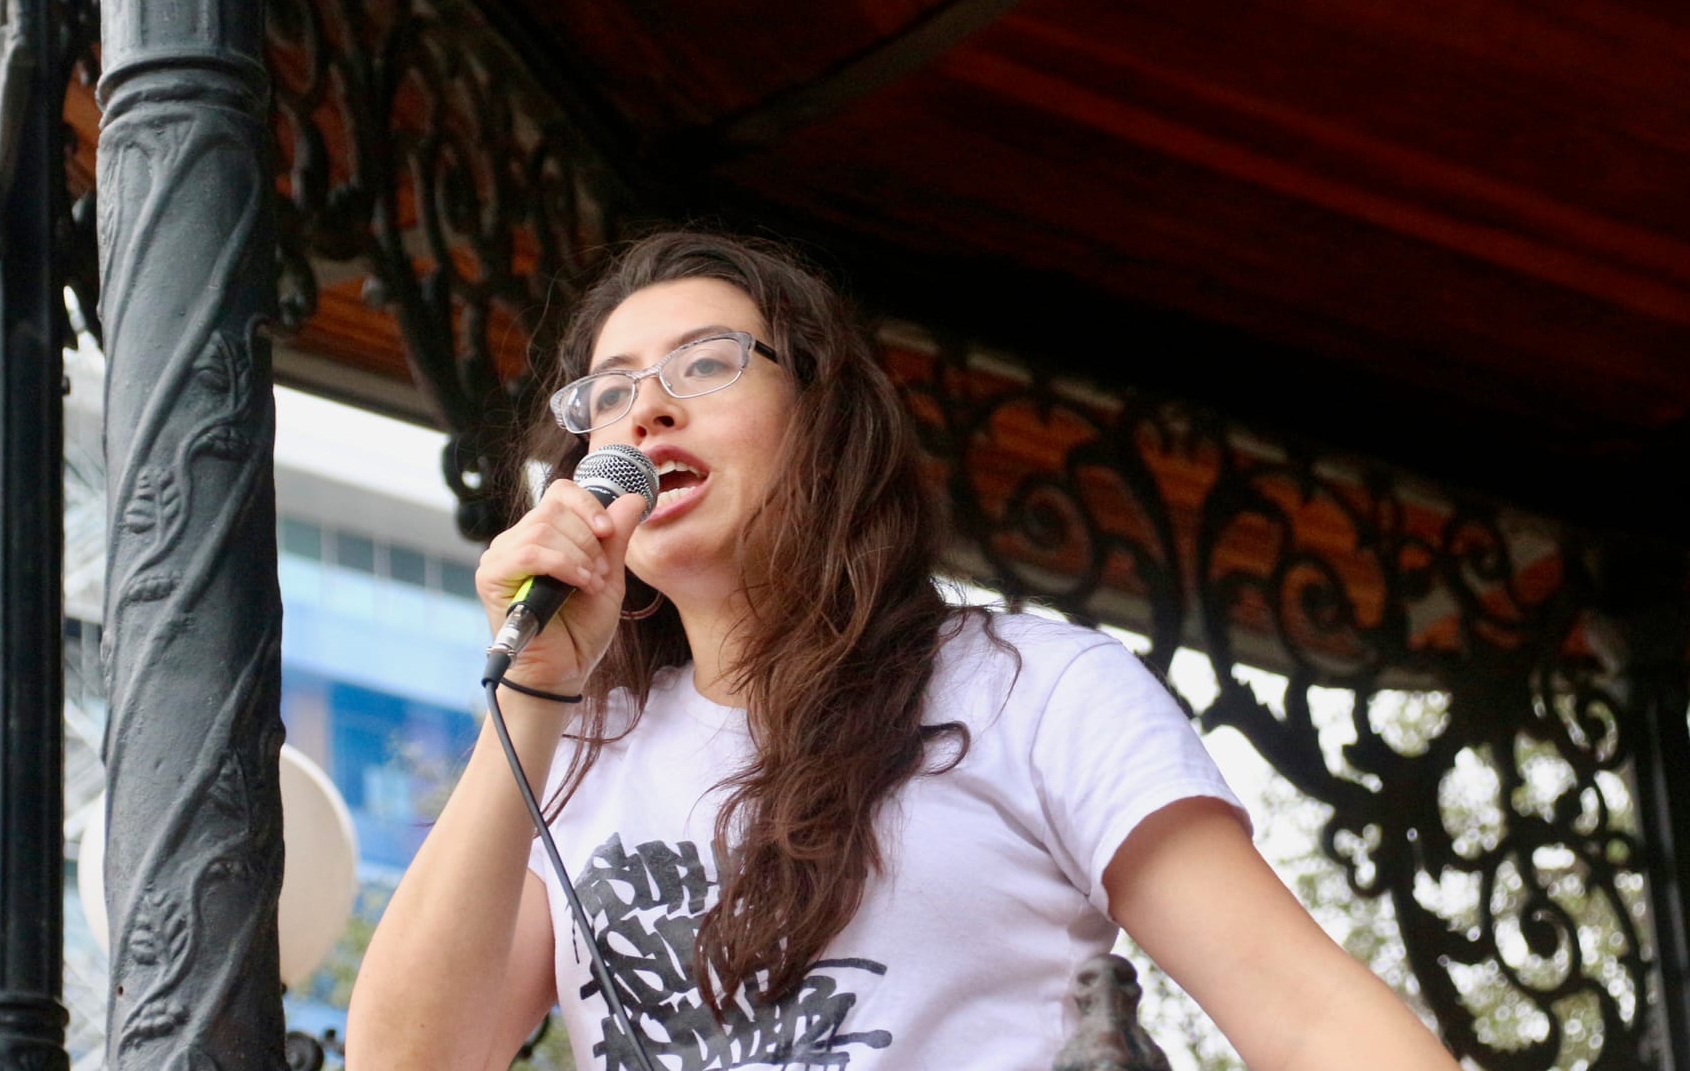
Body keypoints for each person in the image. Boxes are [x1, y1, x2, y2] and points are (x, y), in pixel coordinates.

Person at [345, 230, 1458, 1070]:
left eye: (706, 364)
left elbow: (1308, 1016)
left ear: (823, 418)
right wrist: (536, 690)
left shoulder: (1033, 691)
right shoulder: (580, 757)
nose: (647, 413)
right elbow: (406, 1062)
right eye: (611, 392)